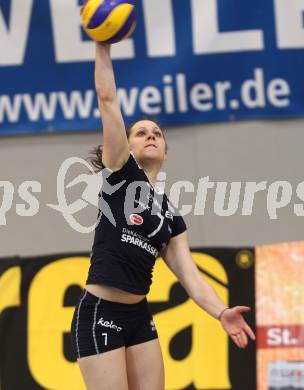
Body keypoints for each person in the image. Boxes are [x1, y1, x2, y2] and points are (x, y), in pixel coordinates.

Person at [70, 43, 255, 390]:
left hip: (138, 317)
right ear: (126, 146)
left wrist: (221, 312)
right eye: (141, 132)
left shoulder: (170, 215)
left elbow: (190, 276)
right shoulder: (120, 176)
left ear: (166, 152)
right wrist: (102, 44)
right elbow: (107, 98)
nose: (150, 136)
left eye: (157, 133)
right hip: (100, 313)